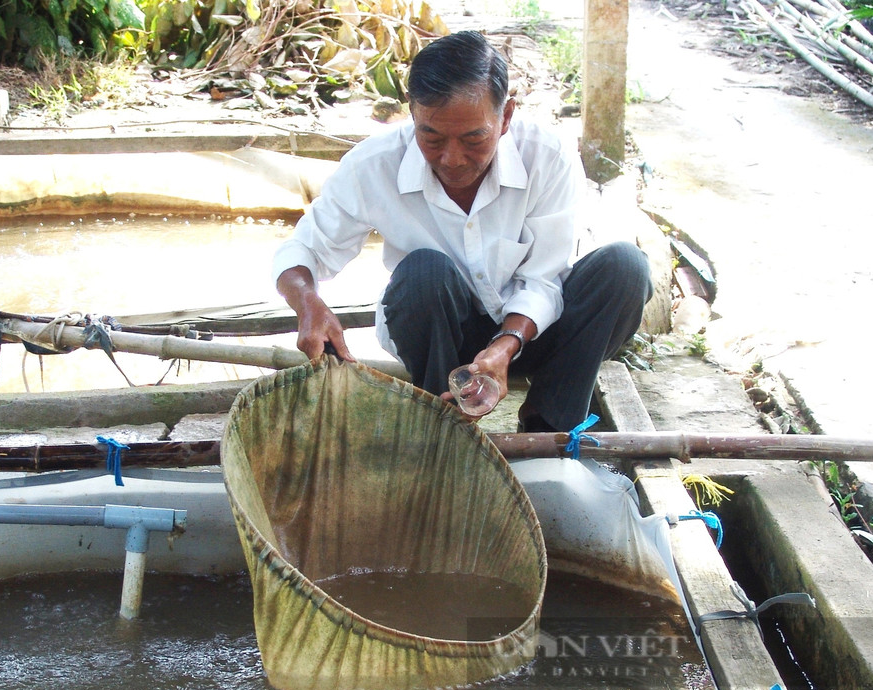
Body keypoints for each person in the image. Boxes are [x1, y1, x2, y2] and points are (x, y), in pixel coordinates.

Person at [272, 30, 653, 433]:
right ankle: (442, 424)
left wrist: (504, 346)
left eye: (474, 138)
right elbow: (302, 250)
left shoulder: (547, 155)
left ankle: (549, 427)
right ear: (412, 113)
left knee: (625, 267)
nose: (452, 159)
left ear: (506, 117)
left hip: (537, 334)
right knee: (423, 272)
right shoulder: (373, 164)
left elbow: (544, 280)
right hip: (442, 344)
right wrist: (308, 303)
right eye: (431, 136)